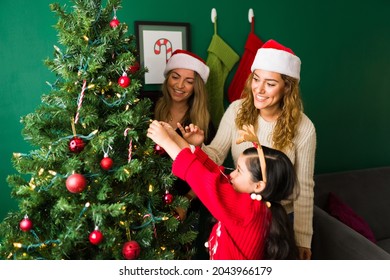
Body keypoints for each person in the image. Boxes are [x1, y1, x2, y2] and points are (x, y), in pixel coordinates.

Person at [180, 39, 316, 260]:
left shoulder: (304, 128)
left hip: (280, 221)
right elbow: (215, 156)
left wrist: (302, 239)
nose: (259, 89)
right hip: (241, 215)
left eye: (270, 84)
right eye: (256, 79)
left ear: (287, 88)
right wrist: (198, 146)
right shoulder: (237, 110)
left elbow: (305, 188)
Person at [147, 121, 299, 260]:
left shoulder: (249, 210)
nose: (231, 174)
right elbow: (213, 172)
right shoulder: (253, 202)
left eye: (239, 171)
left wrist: (165, 142)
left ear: (258, 185)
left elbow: (200, 177)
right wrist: (174, 137)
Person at [153, 49, 216, 259]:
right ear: (167, 78)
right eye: (175, 77)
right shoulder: (147, 108)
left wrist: (186, 202)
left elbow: (210, 171)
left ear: (196, 87)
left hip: (188, 205)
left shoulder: (204, 125)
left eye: (188, 81)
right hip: (149, 200)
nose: (180, 86)